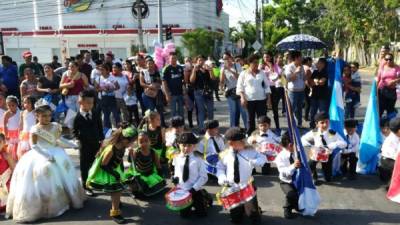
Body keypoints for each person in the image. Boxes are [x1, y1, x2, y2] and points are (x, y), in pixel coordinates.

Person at [6, 105, 85, 223]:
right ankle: (44, 205)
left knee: (63, 173)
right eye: (43, 116)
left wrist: (72, 144)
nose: (47, 118)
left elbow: (58, 140)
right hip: (40, 154)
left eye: (49, 115)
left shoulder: (55, 126)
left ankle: (67, 200)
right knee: (44, 172)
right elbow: (34, 145)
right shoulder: (34, 129)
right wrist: (47, 155)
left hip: (56, 153)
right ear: (37, 116)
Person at [86, 125, 137, 224]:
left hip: (114, 169)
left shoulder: (122, 146)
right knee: (116, 190)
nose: (133, 143)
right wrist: (115, 174)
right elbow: (103, 165)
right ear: (125, 140)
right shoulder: (111, 149)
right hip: (107, 172)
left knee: (117, 191)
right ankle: (115, 213)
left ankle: (116, 202)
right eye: (132, 141)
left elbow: (119, 159)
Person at [217, 127, 266, 224]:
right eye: (241, 141)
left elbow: (263, 158)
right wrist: (221, 177)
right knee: (236, 218)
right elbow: (220, 168)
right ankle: (240, 211)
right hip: (233, 187)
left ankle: (254, 213)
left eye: (244, 139)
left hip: (247, 185)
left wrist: (256, 162)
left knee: (252, 213)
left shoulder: (250, 151)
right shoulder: (224, 154)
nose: (245, 142)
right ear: (231, 143)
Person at [171, 132, 211, 218]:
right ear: (178, 144)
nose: (186, 148)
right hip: (183, 191)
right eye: (183, 145)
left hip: (195, 190)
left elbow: (204, 177)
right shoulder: (176, 157)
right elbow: (177, 171)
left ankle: (205, 196)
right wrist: (175, 179)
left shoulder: (198, 159)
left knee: (202, 214)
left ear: (194, 146)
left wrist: (194, 188)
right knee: (184, 215)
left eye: (189, 145)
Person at [73, 90, 105, 197]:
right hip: (84, 145)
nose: (91, 105)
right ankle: (85, 186)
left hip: (96, 143)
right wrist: (77, 139)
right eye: (89, 103)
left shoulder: (95, 112)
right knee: (84, 166)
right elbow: (74, 131)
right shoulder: (77, 117)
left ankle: (95, 182)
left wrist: (102, 139)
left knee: (95, 164)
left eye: (92, 103)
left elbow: (100, 126)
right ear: (80, 103)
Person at [301, 112, 346, 184]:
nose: (325, 125)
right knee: (310, 165)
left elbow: (344, 143)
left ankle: (327, 175)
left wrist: (333, 144)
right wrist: (309, 145)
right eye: (322, 123)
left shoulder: (332, 133)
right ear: (317, 124)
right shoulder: (315, 132)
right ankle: (314, 176)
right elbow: (303, 139)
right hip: (316, 153)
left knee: (328, 177)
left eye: (327, 122)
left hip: (327, 154)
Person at [237, 54, 271, 135]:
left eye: (257, 62)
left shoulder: (262, 73)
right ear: (250, 63)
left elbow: (267, 86)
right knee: (250, 119)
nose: (256, 64)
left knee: (262, 119)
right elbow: (239, 87)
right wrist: (242, 98)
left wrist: (269, 99)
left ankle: (263, 134)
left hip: (261, 100)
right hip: (249, 100)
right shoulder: (243, 73)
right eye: (254, 62)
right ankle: (250, 135)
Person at [126, 131, 166, 197]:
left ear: (150, 141)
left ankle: (146, 187)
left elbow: (158, 165)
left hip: (149, 173)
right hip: (139, 174)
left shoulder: (153, 152)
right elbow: (130, 160)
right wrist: (130, 153)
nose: (144, 143)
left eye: (146, 141)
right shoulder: (137, 152)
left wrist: (161, 177)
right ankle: (135, 189)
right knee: (135, 183)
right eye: (141, 142)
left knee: (156, 186)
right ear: (138, 143)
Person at [275, 131, 301, 219]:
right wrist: (293, 166)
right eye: (296, 144)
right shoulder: (280, 157)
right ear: (290, 145)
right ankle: (287, 209)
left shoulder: (297, 153)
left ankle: (297, 205)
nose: (298, 146)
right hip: (286, 181)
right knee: (291, 194)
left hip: (297, 179)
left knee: (300, 193)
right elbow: (283, 172)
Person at [220, 52, 247, 130]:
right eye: (224, 59)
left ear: (230, 58)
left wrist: (229, 69)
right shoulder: (222, 68)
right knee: (234, 112)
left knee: (243, 111)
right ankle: (234, 129)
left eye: (227, 58)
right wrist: (222, 73)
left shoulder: (237, 65)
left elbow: (240, 77)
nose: (226, 60)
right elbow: (222, 82)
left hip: (240, 91)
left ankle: (248, 129)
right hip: (231, 92)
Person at [190, 55, 216, 131]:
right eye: (199, 60)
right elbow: (191, 81)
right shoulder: (195, 69)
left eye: (202, 60)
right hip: (198, 92)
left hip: (208, 92)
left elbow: (213, 78)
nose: (201, 62)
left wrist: (210, 70)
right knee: (201, 111)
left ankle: (211, 127)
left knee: (210, 110)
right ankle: (202, 128)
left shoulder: (207, 69)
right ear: (196, 62)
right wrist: (194, 70)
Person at [285, 51, 306, 128]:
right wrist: (296, 72)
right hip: (293, 91)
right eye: (301, 57)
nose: (302, 58)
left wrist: (307, 74)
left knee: (300, 108)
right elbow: (289, 79)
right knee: (292, 108)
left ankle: (299, 123)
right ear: (296, 58)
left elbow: (303, 78)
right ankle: (290, 124)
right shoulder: (289, 66)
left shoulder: (302, 66)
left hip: (301, 90)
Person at [95, 63, 120, 130]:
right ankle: (107, 131)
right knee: (106, 116)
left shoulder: (112, 77)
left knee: (116, 114)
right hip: (103, 99)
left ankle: (120, 129)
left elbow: (118, 87)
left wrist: (111, 89)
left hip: (112, 98)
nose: (101, 71)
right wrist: (103, 89)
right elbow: (96, 89)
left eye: (102, 70)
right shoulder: (99, 78)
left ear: (107, 70)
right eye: (100, 70)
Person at [378, 117, 400, 189]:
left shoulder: (395, 136)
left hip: (389, 160)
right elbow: (395, 155)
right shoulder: (392, 138)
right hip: (387, 161)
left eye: (388, 128)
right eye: (383, 128)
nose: (385, 130)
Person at [162, 53, 185, 119]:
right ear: (169, 59)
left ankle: (182, 126)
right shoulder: (166, 69)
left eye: (175, 58)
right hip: (171, 94)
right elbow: (164, 82)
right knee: (173, 112)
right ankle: (174, 127)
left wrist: (184, 92)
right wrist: (167, 94)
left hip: (180, 93)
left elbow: (183, 81)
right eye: (172, 58)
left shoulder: (180, 68)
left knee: (181, 111)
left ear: (177, 58)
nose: (173, 59)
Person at [377, 53, 400, 118]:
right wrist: (376, 91)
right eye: (386, 59)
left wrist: (394, 81)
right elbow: (378, 79)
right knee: (380, 109)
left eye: (390, 59)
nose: (388, 61)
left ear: (393, 59)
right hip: (382, 90)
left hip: (392, 91)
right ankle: (378, 125)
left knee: (390, 109)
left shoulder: (397, 68)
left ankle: (390, 126)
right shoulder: (382, 67)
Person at [309, 58, 329, 128]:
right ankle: (312, 125)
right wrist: (316, 82)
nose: (317, 64)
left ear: (322, 64)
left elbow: (322, 82)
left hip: (322, 96)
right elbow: (310, 82)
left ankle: (323, 126)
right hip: (314, 95)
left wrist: (316, 82)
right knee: (313, 111)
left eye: (318, 63)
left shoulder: (325, 72)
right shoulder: (315, 72)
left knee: (322, 112)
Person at [0, 133, 15, 213]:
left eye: (0, 142)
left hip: (5, 184)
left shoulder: (6, 155)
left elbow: (15, 171)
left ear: (3, 143)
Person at [3, 96, 20, 161]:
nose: (10, 107)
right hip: (11, 133)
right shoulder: (7, 114)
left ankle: (18, 159)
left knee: (18, 146)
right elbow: (5, 125)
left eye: (12, 105)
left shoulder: (19, 112)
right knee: (12, 148)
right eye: (8, 105)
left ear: (17, 104)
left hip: (18, 132)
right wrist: (6, 134)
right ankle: (13, 160)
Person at [183, 57, 196, 128]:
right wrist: (186, 72)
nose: (187, 62)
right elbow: (185, 81)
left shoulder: (194, 68)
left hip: (196, 89)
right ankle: (190, 123)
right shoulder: (182, 69)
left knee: (198, 107)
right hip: (187, 91)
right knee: (189, 108)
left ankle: (200, 122)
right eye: (186, 61)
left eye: (188, 60)